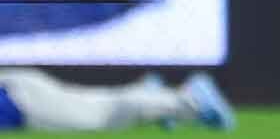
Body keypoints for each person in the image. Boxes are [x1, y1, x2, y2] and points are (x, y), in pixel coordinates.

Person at [0, 68, 234, 132]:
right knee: (95, 103)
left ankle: (189, 99)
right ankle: (148, 96)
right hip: (15, 89)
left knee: (100, 115)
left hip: (21, 101)